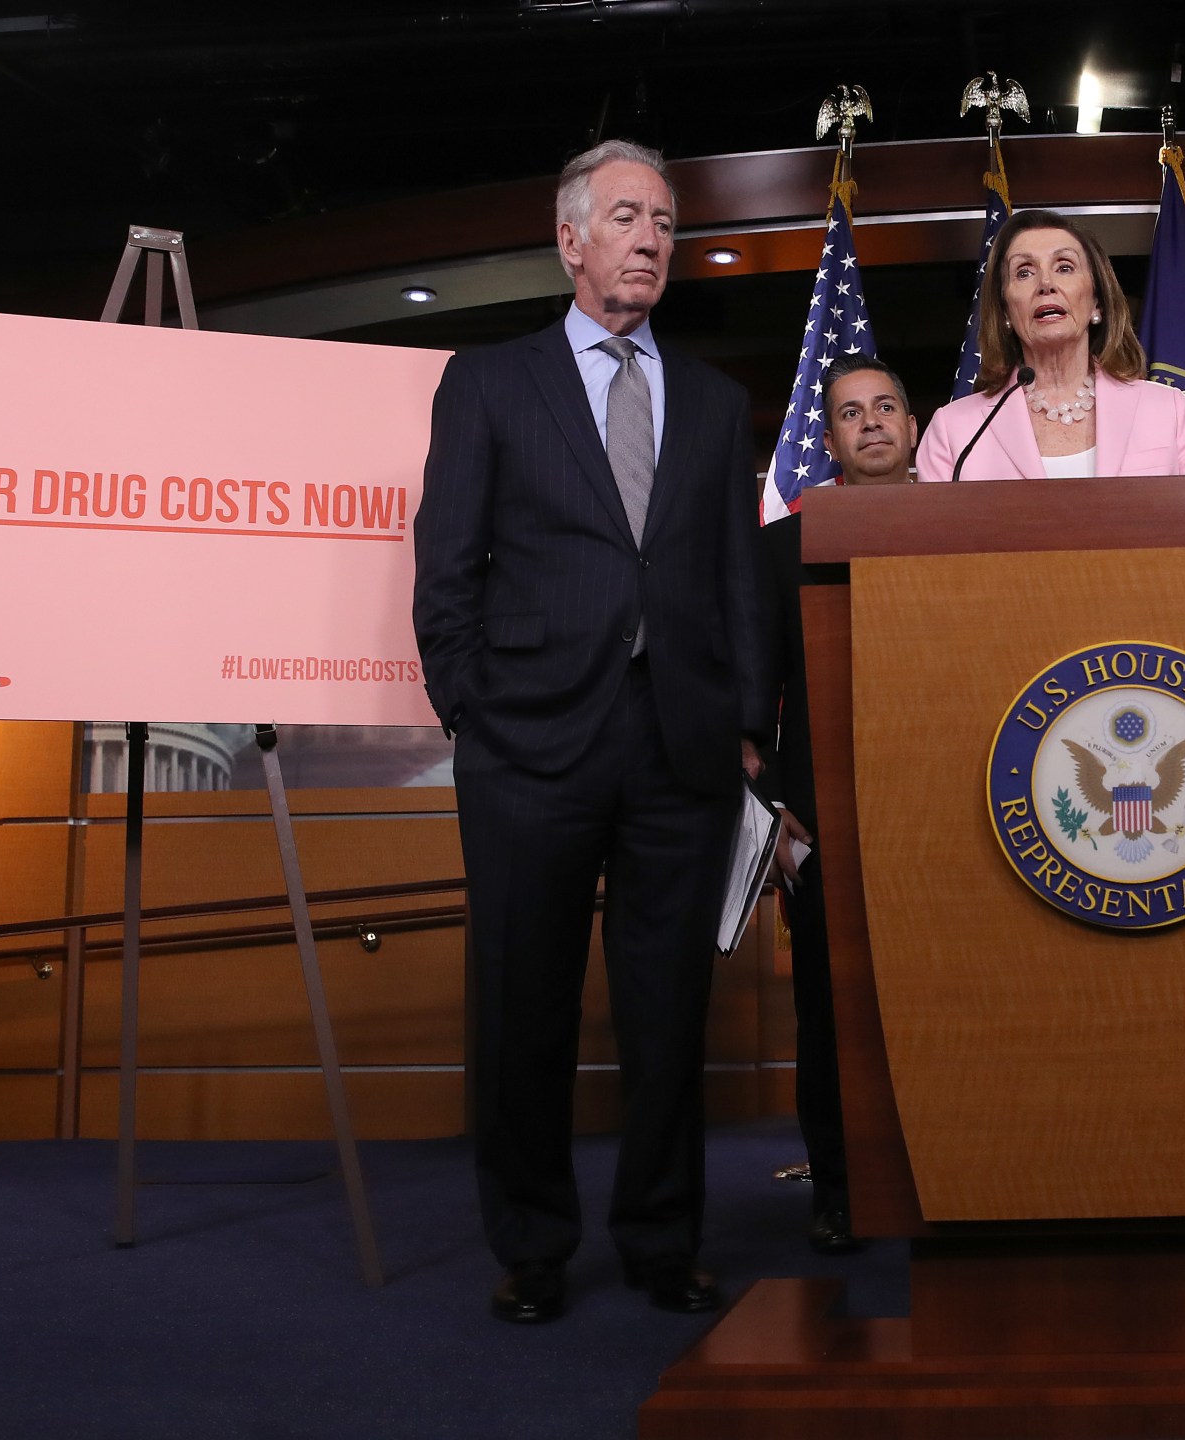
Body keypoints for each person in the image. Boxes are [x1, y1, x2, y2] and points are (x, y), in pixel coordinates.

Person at [411, 139, 772, 1324]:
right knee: (523, 1006)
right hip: (527, 744)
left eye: (665, 222)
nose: (652, 240)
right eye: (627, 217)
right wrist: (468, 702)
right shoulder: (488, 381)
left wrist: (747, 726)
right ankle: (534, 1244)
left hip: (681, 747)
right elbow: (447, 560)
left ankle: (663, 1241)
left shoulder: (717, 403)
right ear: (571, 242)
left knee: (667, 1012)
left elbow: (736, 581)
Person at [758, 354, 919, 1255]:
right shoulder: (785, 547)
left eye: (887, 407)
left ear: (914, 423)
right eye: (852, 414)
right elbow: (758, 686)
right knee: (830, 1013)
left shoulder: (970, 529)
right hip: (824, 818)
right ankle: (839, 1188)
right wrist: (772, 806)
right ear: (829, 442)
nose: (872, 424)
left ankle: (949, 1171)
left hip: (953, 812)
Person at [916, 208, 1185, 482]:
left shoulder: (1169, 411)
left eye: (1064, 267)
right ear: (1005, 311)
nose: (1046, 284)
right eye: (1024, 272)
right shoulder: (955, 432)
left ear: (1097, 301)